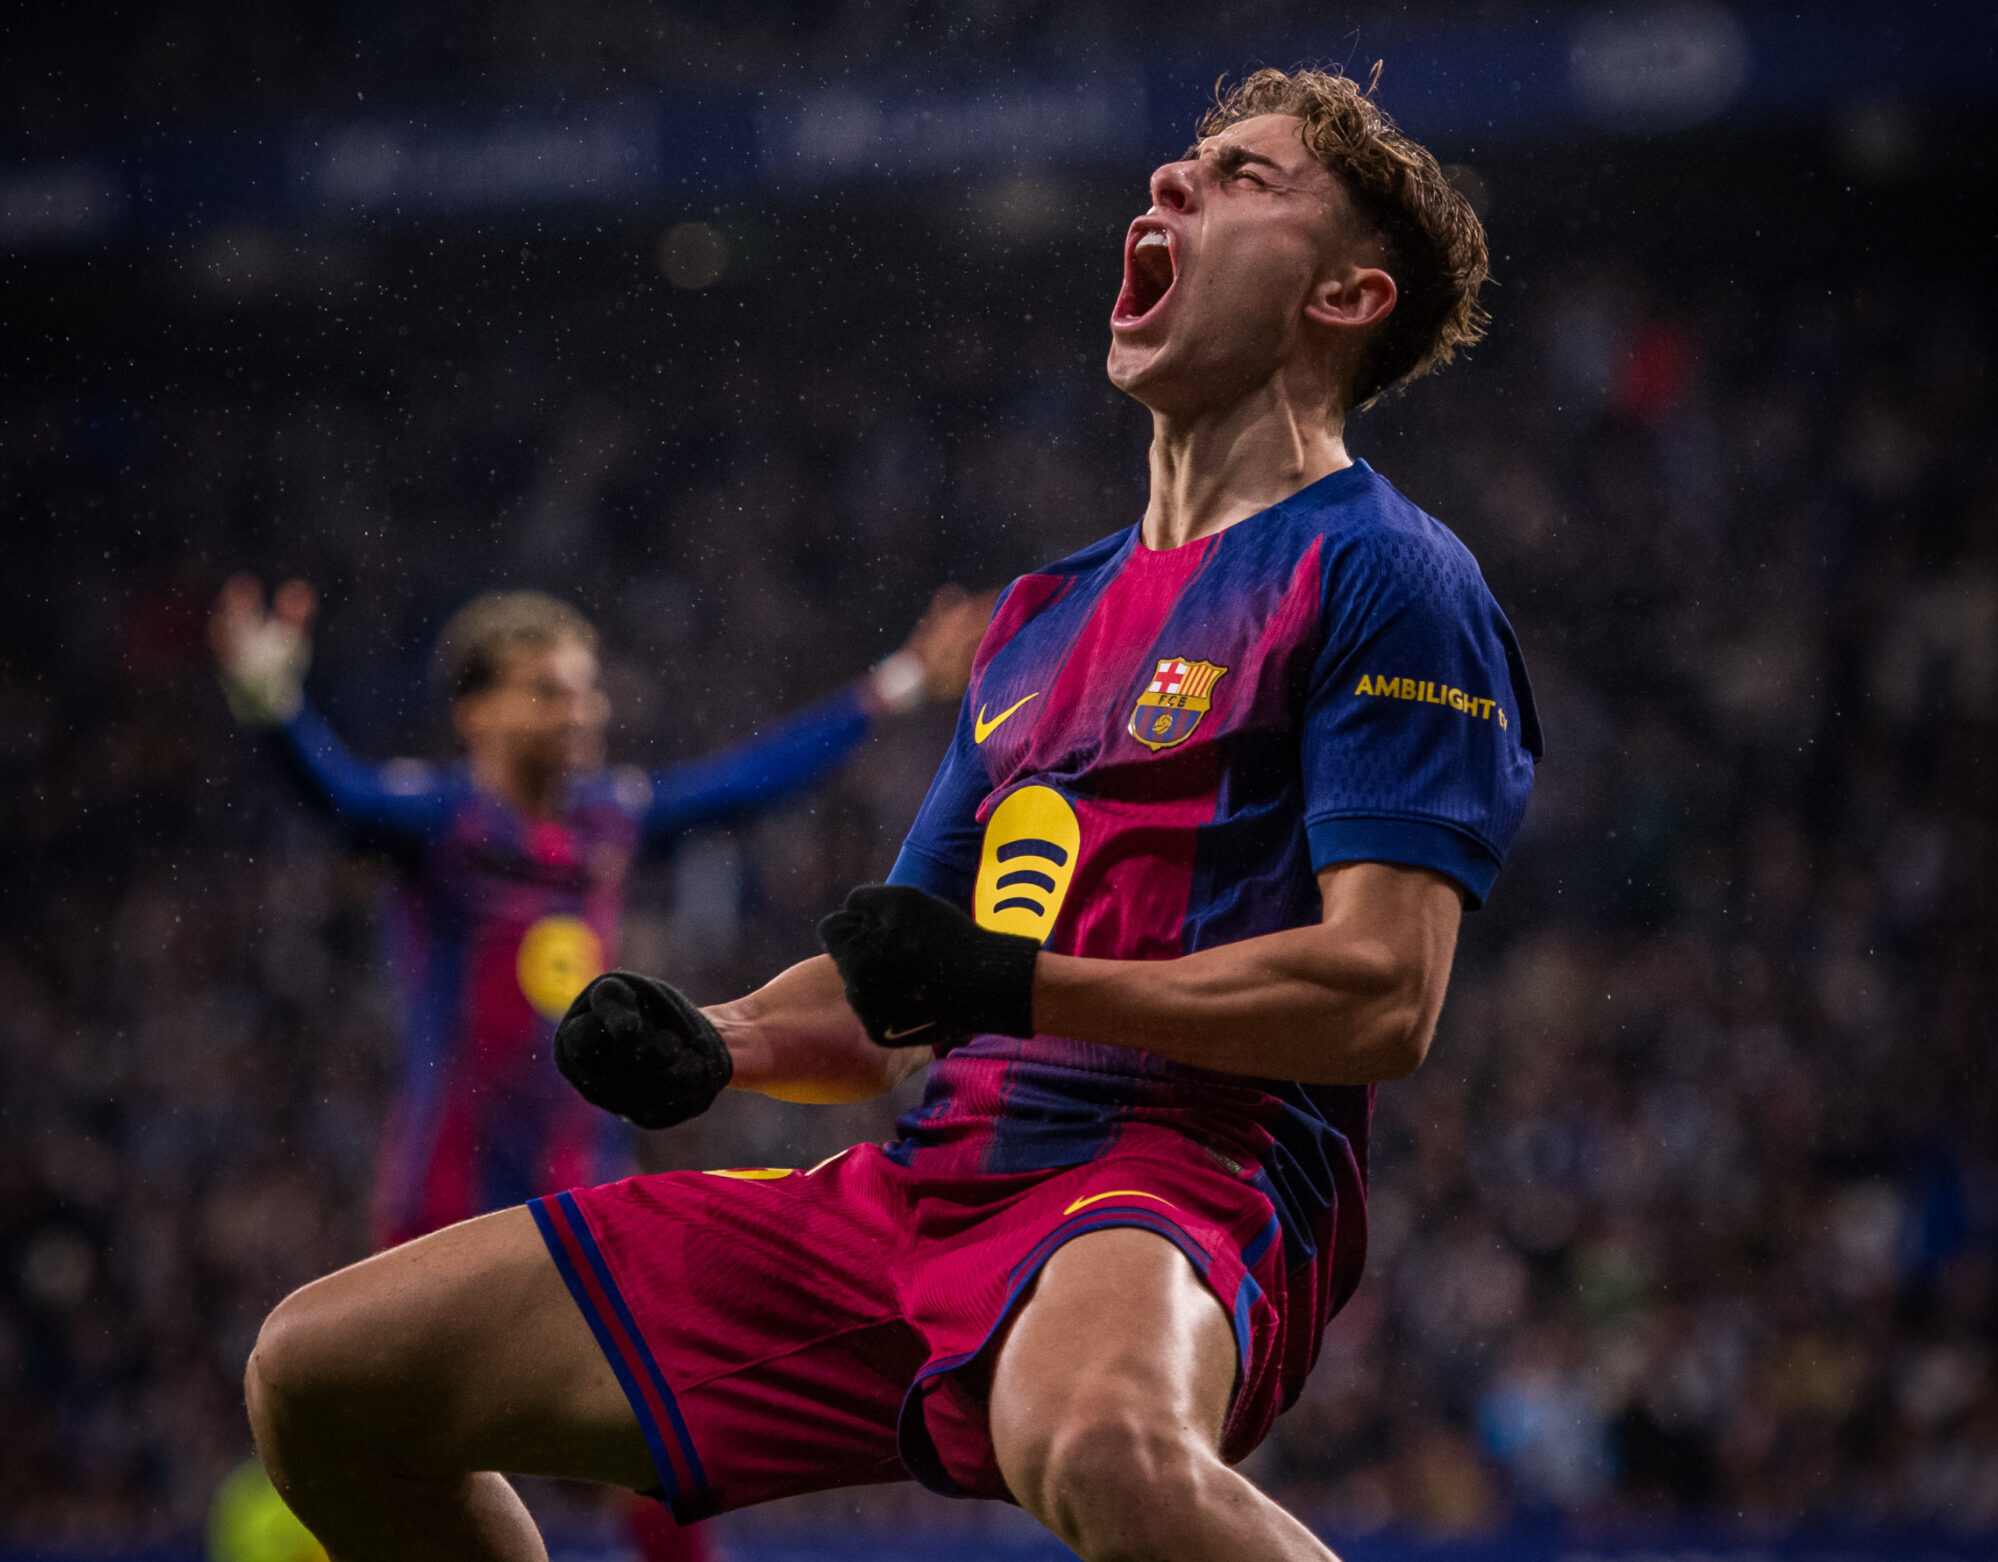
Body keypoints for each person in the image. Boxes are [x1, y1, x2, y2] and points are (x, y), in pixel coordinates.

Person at [243, 64, 1541, 1562]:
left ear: (1347, 297)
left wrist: (1020, 984)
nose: (1173, 182)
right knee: (326, 1377)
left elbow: (1382, 995)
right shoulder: (1045, 616)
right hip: (927, 1187)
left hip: (1182, 1167)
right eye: (1182, 161)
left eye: (1245, 176)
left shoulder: (1391, 575)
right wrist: (717, 1034)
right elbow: (894, 988)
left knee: (1104, 1442)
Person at [213, 578, 988, 1562]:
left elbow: (742, 784)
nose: (578, 711)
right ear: (475, 711)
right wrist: (269, 700)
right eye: (546, 690)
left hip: (583, 1176)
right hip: (446, 1187)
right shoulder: (440, 824)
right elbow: (335, 795)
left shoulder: (608, 821)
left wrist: (896, 683)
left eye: (584, 690)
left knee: (654, 1437)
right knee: (417, 1433)